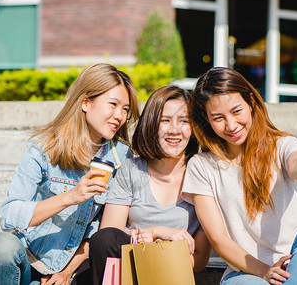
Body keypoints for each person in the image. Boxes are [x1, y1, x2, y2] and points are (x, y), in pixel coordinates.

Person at [0, 63, 140, 285]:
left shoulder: (122, 158)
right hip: (29, 257)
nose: (119, 116)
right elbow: (8, 215)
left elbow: (105, 232)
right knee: (1, 247)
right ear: (86, 102)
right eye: (113, 104)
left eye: (125, 109)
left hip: (75, 268)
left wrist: (66, 272)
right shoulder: (44, 147)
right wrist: (70, 197)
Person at [181, 67, 297, 285]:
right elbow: (218, 239)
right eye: (218, 118)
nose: (231, 125)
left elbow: (295, 163)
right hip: (245, 275)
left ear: (252, 103)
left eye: (237, 111)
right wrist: (265, 271)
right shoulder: (202, 166)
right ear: (207, 120)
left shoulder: (281, 145)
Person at [88, 85, 212, 284]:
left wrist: (153, 246)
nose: (174, 130)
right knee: (104, 239)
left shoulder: (203, 175)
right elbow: (107, 240)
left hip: (173, 274)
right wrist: (158, 233)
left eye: (184, 121)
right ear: (151, 124)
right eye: (165, 121)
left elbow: (199, 261)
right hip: (127, 271)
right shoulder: (131, 169)